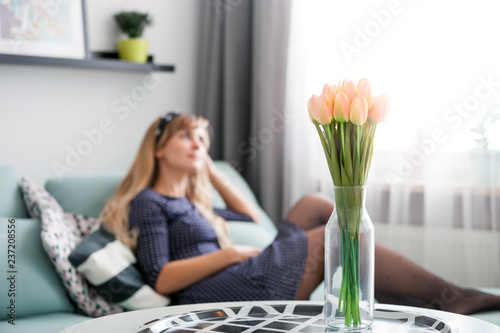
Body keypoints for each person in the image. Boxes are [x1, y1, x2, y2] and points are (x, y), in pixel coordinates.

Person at [101, 112, 500, 314]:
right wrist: (231, 254)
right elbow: (163, 278)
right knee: (329, 236)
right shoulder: (148, 202)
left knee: (316, 206)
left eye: (203, 139)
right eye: (186, 136)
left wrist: (212, 174)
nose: (197, 144)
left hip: (238, 271)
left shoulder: (193, 203)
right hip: (212, 292)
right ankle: (450, 297)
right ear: (157, 149)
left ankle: (415, 305)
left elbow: (254, 220)